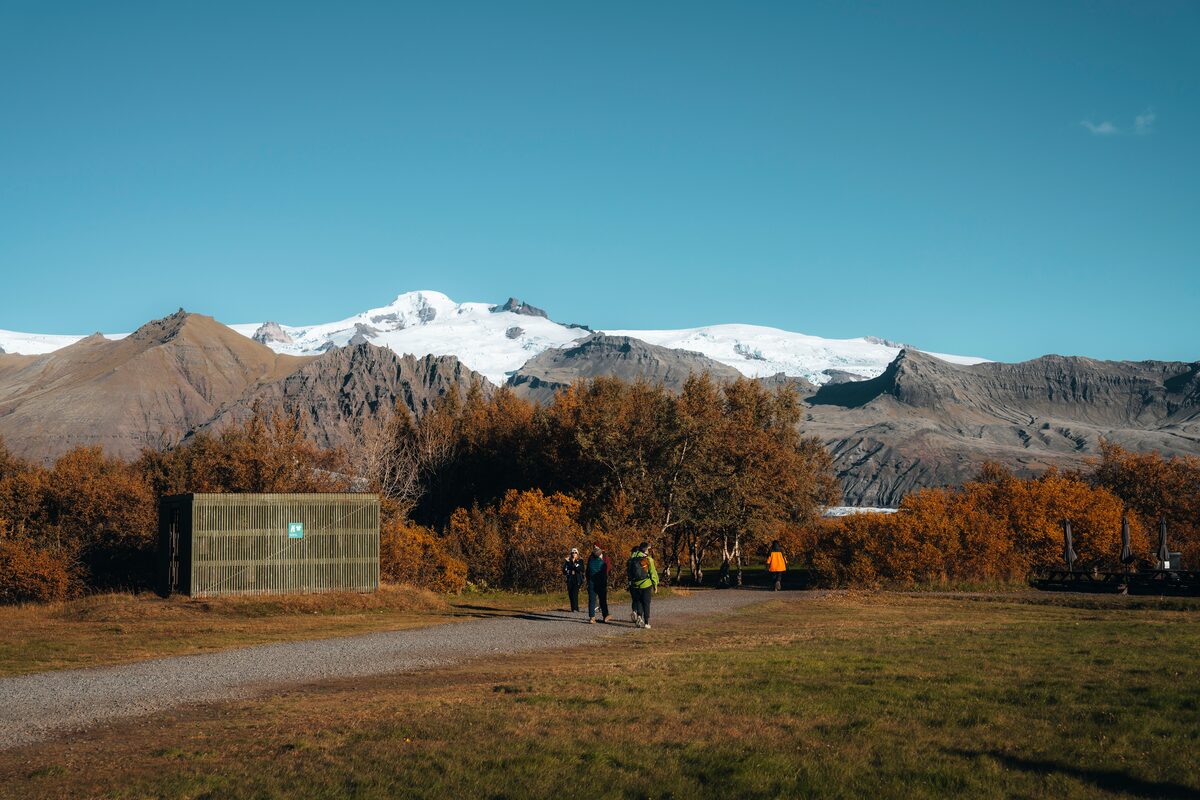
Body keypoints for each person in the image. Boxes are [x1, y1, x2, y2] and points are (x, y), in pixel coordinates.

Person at [627, 541, 659, 629]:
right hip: (646, 584)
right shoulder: (648, 559)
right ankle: (647, 622)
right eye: (648, 549)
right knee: (646, 603)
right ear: (646, 550)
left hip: (635, 584)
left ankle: (639, 617)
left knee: (638, 602)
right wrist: (655, 584)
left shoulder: (632, 557)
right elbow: (652, 573)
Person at [586, 544, 611, 623]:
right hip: (601, 583)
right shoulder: (603, 562)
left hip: (591, 582)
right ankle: (605, 615)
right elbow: (605, 572)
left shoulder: (590, 561)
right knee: (602, 600)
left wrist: (588, 580)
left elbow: (587, 572)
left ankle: (592, 617)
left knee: (592, 600)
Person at [563, 547, 585, 612]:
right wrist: (570, 570)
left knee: (575, 593)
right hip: (570, 579)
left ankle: (576, 608)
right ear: (571, 553)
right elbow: (564, 571)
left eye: (575, 552)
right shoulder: (567, 561)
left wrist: (574, 564)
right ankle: (573, 608)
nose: (574, 554)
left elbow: (581, 569)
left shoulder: (580, 560)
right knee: (570, 594)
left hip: (577, 579)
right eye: (573, 552)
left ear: (577, 554)